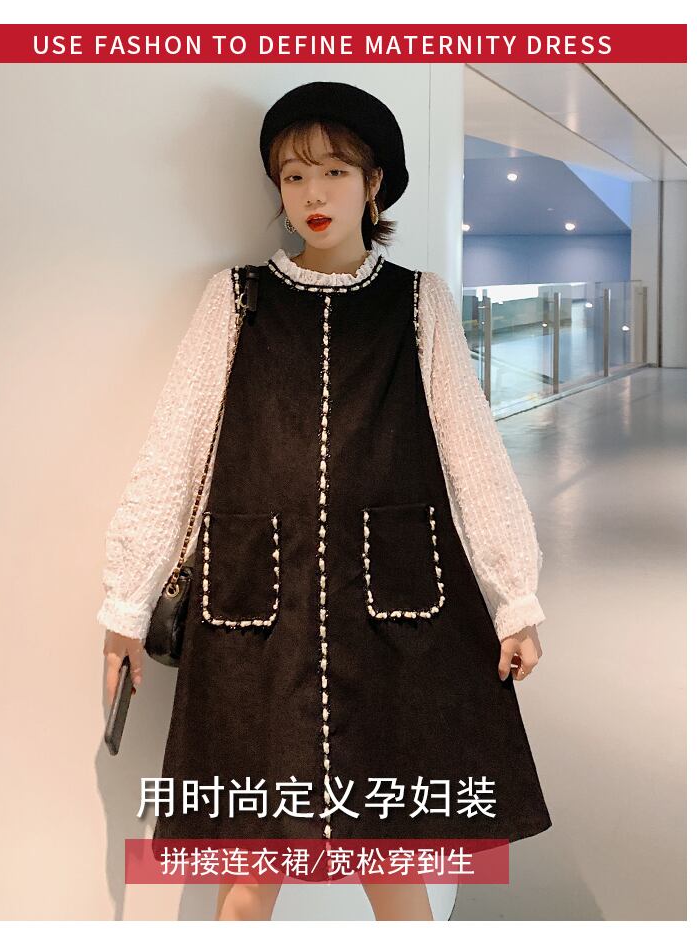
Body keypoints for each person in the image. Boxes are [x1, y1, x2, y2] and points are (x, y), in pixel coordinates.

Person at [100, 81, 551, 921]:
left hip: (396, 613)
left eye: (335, 171)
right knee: (252, 866)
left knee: (393, 854)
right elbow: (175, 445)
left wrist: (513, 595)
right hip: (255, 609)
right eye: (294, 174)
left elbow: (472, 451)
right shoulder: (237, 296)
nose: (313, 193)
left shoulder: (417, 301)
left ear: (373, 184)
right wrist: (127, 599)